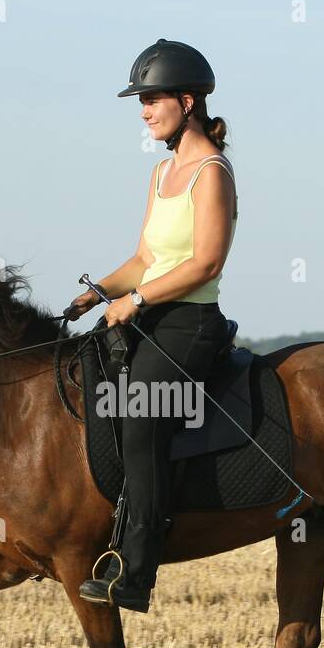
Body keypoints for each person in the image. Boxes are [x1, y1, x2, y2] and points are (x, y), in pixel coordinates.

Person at [69, 39, 239, 613]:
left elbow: (206, 263)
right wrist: (99, 293)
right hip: (149, 310)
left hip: (189, 323)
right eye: (140, 101)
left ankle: (135, 571)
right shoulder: (162, 172)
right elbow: (144, 258)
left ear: (186, 101)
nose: (143, 110)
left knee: (140, 417)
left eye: (151, 98)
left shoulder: (211, 172)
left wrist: (136, 301)